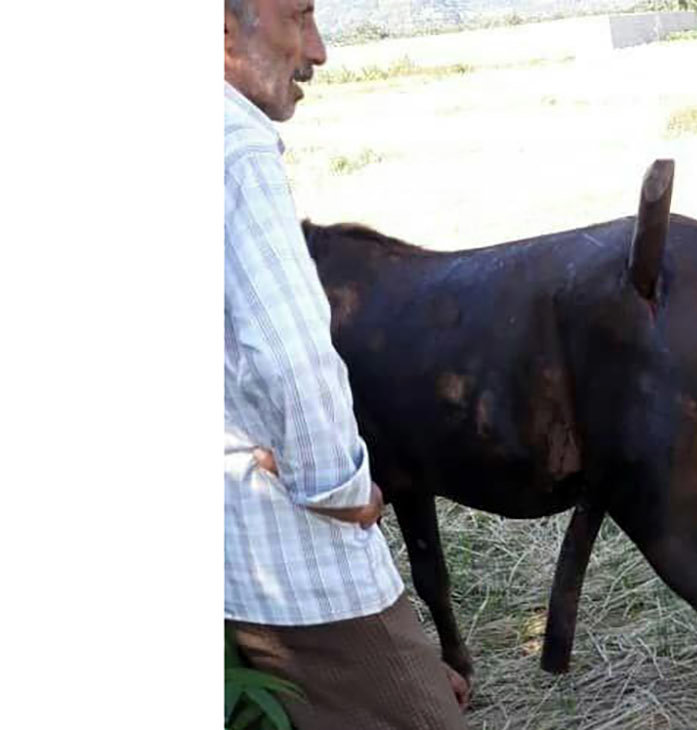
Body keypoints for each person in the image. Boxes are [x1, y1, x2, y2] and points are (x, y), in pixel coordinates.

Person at [224, 1, 468, 727]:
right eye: (297, 16)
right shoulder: (234, 146)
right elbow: (294, 359)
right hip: (296, 571)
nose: (319, 50)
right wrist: (339, 487)